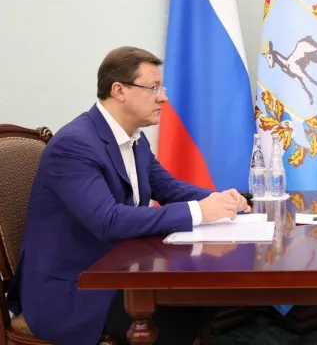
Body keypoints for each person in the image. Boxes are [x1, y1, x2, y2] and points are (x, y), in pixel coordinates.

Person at [7, 46, 251, 345]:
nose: (163, 98)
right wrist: (199, 211)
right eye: (153, 88)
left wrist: (224, 200)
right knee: (179, 314)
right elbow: (108, 220)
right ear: (119, 90)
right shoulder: (73, 145)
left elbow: (169, 189)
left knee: (203, 296)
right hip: (74, 287)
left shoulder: (134, 138)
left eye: (162, 88)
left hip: (121, 269)